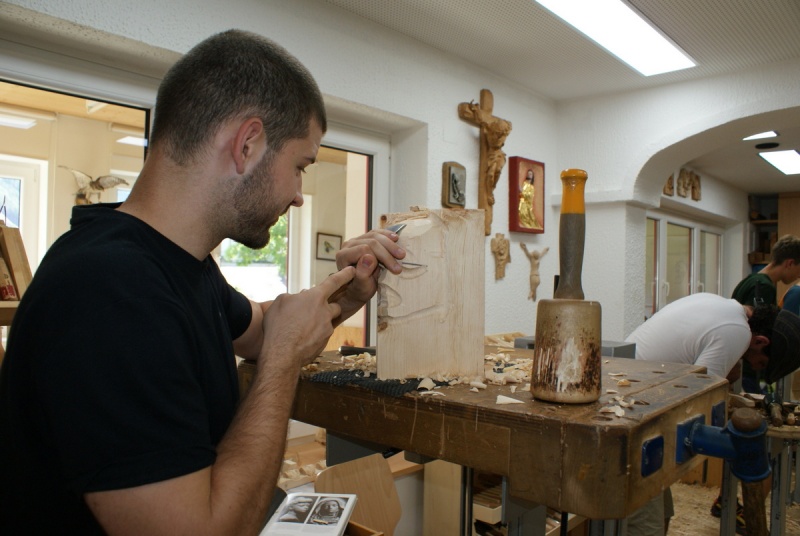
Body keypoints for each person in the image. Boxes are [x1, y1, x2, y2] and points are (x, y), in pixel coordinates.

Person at [0, 30, 406, 534]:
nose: (299, 195)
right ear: (247, 144)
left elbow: (262, 328)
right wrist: (282, 362)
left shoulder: (178, 265)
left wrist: (348, 291)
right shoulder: (110, 290)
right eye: (300, 167)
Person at [623, 292, 800, 536]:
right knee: (647, 528)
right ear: (761, 341)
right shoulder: (737, 331)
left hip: (642, 405)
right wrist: (726, 381)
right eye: (760, 363)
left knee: (663, 514)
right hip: (631, 416)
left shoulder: (725, 307)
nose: (752, 366)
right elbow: (699, 400)